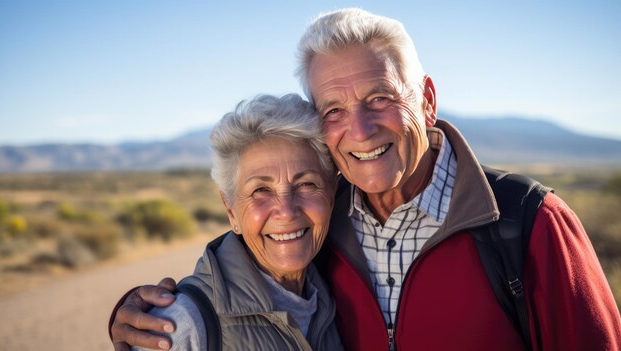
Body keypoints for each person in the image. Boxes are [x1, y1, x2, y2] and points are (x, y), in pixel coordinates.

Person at [110, 8, 621, 351]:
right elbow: (255, 247)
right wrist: (163, 315)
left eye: (380, 97)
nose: (360, 128)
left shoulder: (525, 223)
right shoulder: (321, 223)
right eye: (334, 108)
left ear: (426, 98)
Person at [129, 94, 343, 350]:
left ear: (332, 193)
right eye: (260, 190)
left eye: (306, 184)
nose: (286, 212)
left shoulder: (334, 296)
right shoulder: (183, 325)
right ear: (231, 212)